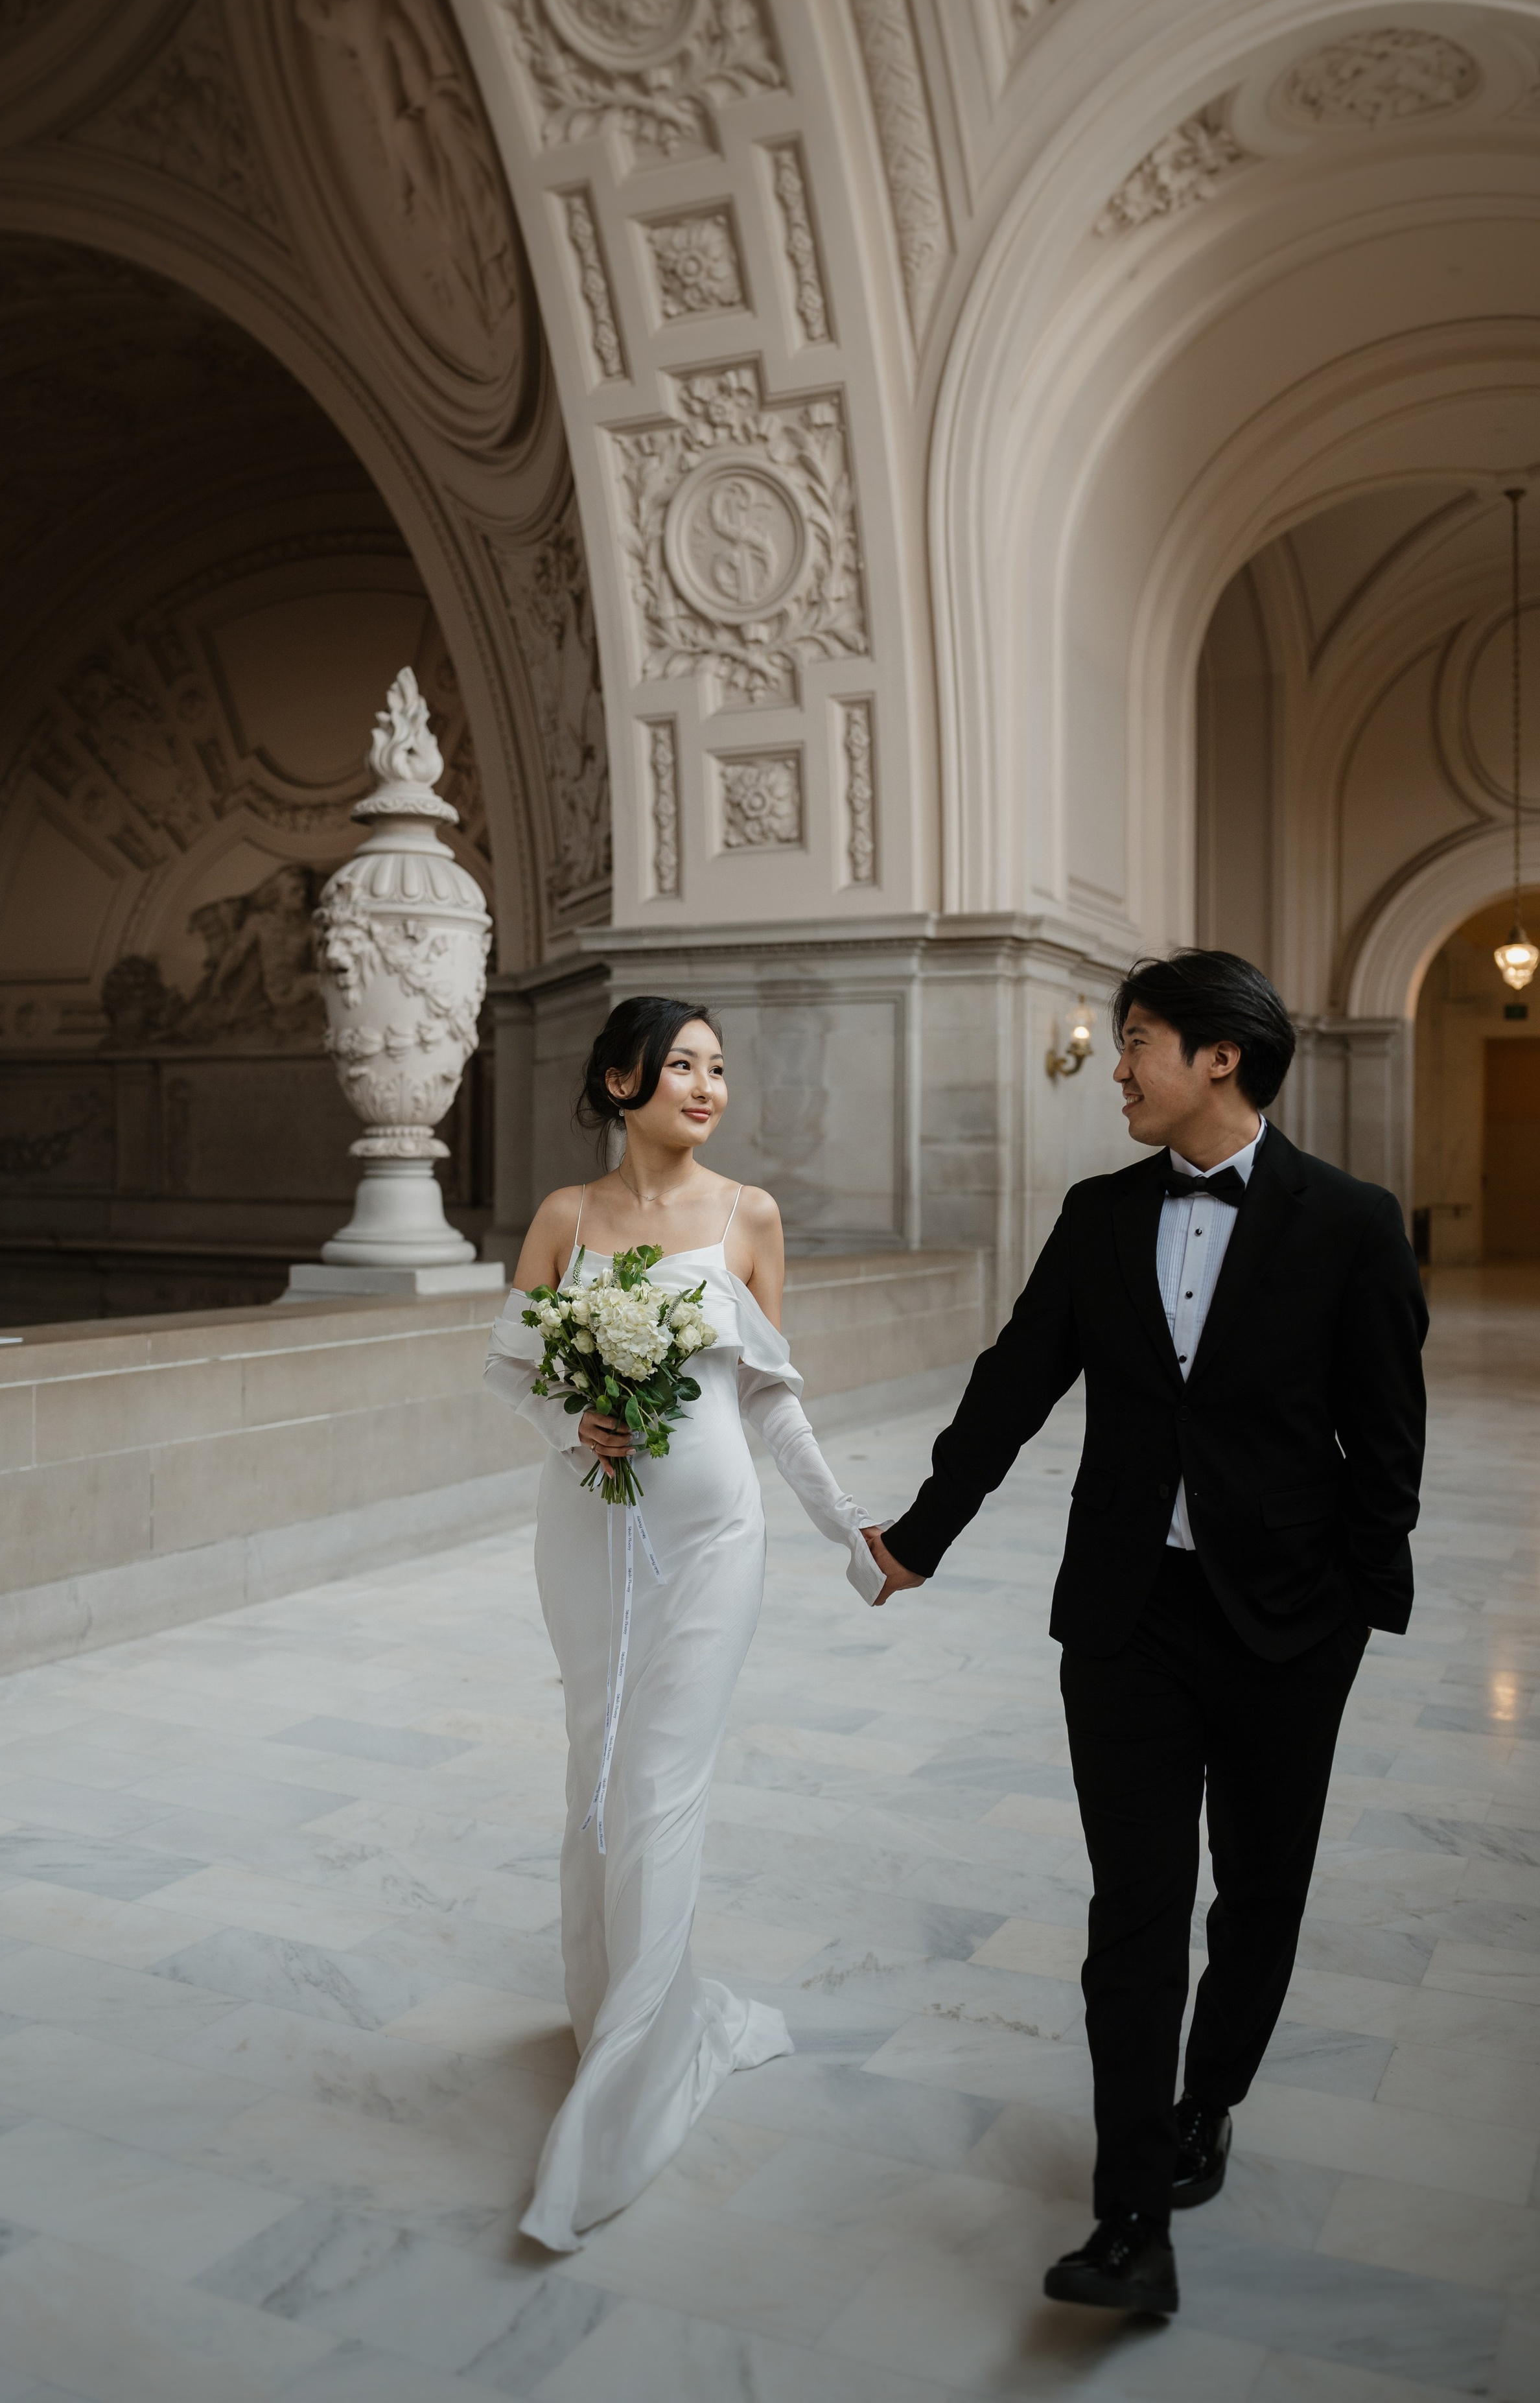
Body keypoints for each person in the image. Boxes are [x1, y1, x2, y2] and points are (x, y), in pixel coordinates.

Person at [865, 951, 1427, 2316]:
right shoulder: (1099, 1214)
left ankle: (1206, 2100)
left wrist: (1353, 1614)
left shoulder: (1351, 1224)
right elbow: (1012, 1384)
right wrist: (919, 1535)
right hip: (1125, 1617)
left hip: (1289, 1625)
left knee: (1259, 1894)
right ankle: (1127, 2220)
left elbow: (1387, 1445)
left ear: (1218, 1057)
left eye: (1136, 1042)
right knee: (1135, 1908)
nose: (1115, 1068)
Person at [484, 996, 883, 2251]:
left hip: (715, 1542)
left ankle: (627, 2091)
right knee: (597, 1775)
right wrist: (574, 1424)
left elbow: (771, 1400)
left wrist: (849, 1528)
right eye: (681, 1067)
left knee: (660, 1783)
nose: (707, 1087)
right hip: (587, 1533)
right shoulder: (566, 1217)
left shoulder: (749, 1216)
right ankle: (613, 2011)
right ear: (621, 1083)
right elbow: (510, 1367)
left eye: (718, 1069)